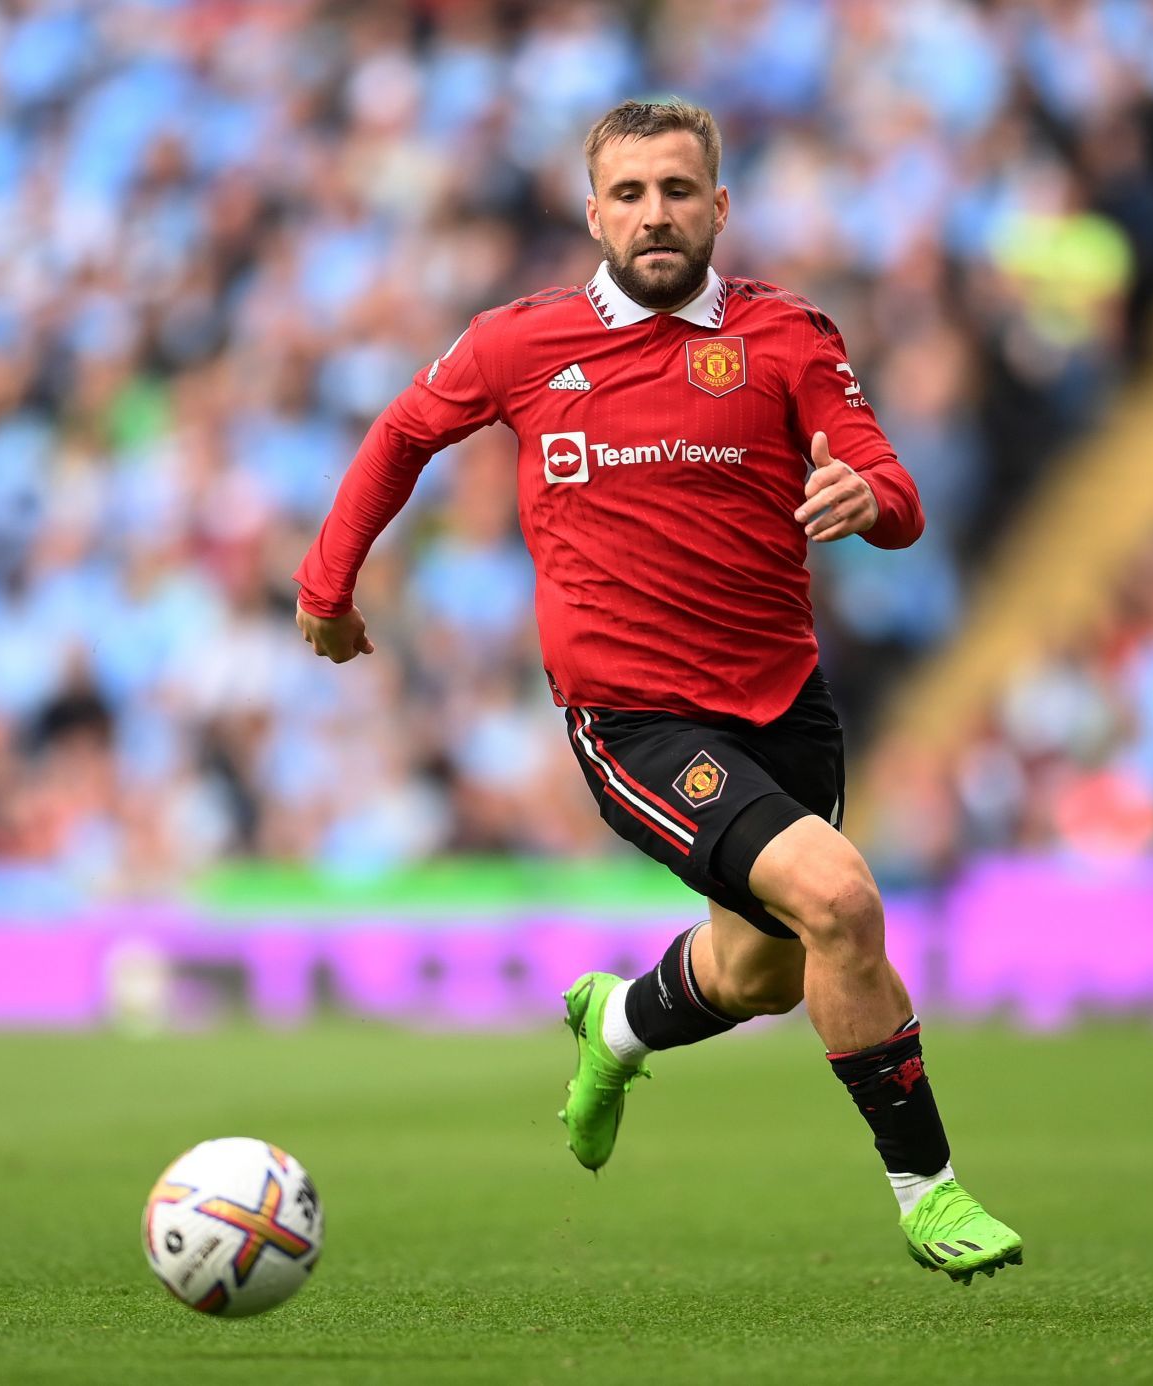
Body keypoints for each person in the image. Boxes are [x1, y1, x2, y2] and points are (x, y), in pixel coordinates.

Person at [294, 98, 1022, 1284]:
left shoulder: (788, 338)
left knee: (769, 970)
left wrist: (868, 504)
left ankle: (617, 1024)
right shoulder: (518, 344)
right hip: (632, 718)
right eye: (629, 194)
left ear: (720, 207)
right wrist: (326, 586)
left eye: (678, 191)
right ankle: (929, 1192)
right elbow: (399, 435)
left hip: (784, 704)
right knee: (837, 897)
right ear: (593, 213)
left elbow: (897, 492)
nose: (655, 215)